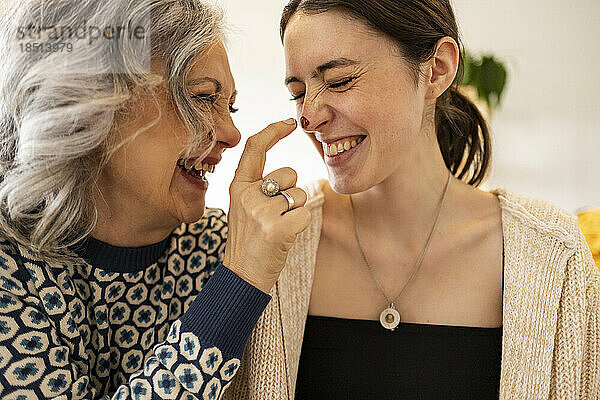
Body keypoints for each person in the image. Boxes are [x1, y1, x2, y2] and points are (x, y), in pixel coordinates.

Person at [224, 1, 600, 399]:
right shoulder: (275, 252)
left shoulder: (554, 256)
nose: (309, 117)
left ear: (437, 69)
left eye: (338, 81)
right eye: (297, 93)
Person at [0, 0, 312, 398]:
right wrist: (239, 282)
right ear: (88, 103)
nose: (233, 134)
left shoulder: (231, 245)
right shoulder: (12, 267)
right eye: (202, 98)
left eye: (230, 106)